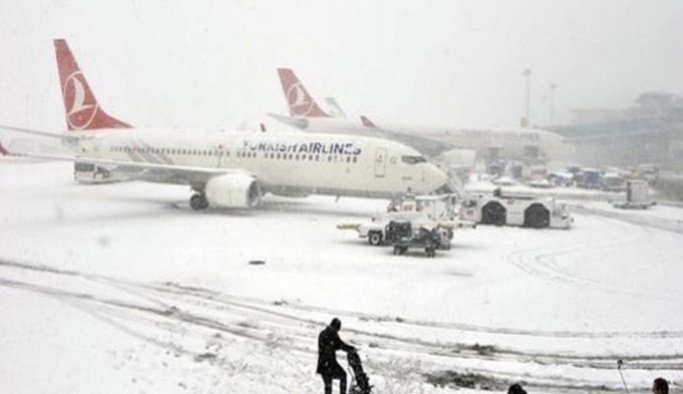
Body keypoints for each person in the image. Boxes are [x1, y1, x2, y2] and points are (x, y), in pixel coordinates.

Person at [317, 318, 355, 394]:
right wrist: (347, 348)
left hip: (330, 364)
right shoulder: (325, 335)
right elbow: (336, 345)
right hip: (325, 364)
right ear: (333, 326)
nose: (336, 331)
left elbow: (339, 344)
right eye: (336, 329)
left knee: (342, 376)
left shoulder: (330, 334)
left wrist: (350, 349)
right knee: (329, 386)